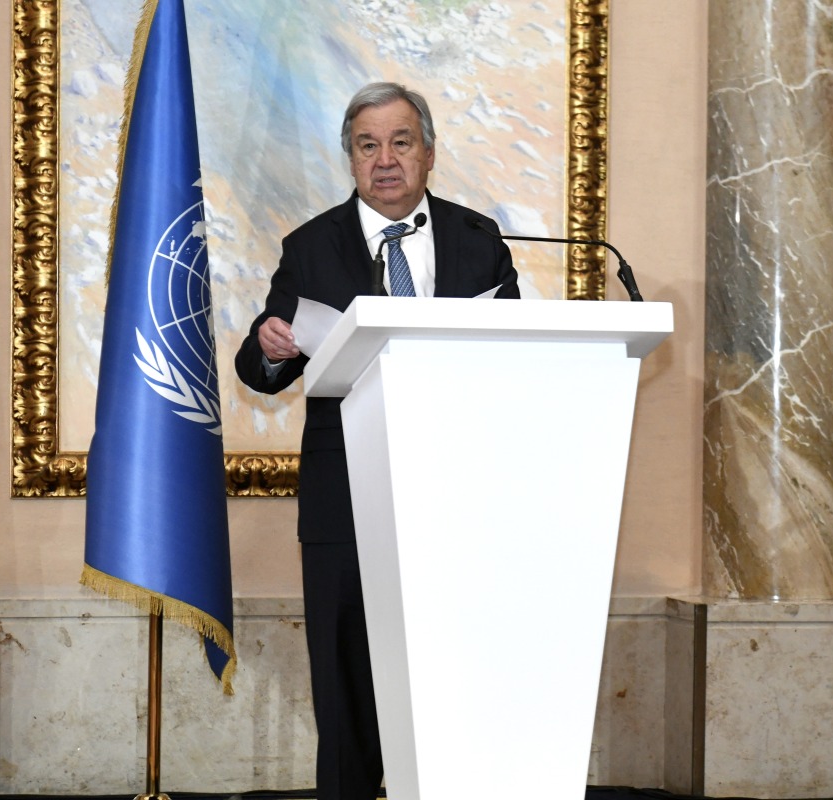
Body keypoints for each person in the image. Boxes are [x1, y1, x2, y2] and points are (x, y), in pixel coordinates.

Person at [234, 82, 520, 800]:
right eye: (368, 145)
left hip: (456, 493)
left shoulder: (478, 240)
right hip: (345, 500)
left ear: (428, 152)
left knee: (454, 677)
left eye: (400, 142)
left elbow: (515, 353)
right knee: (346, 684)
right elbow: (259, 367)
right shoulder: (309, 246)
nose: (385, 160)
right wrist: (270, 347)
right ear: (350, 158)